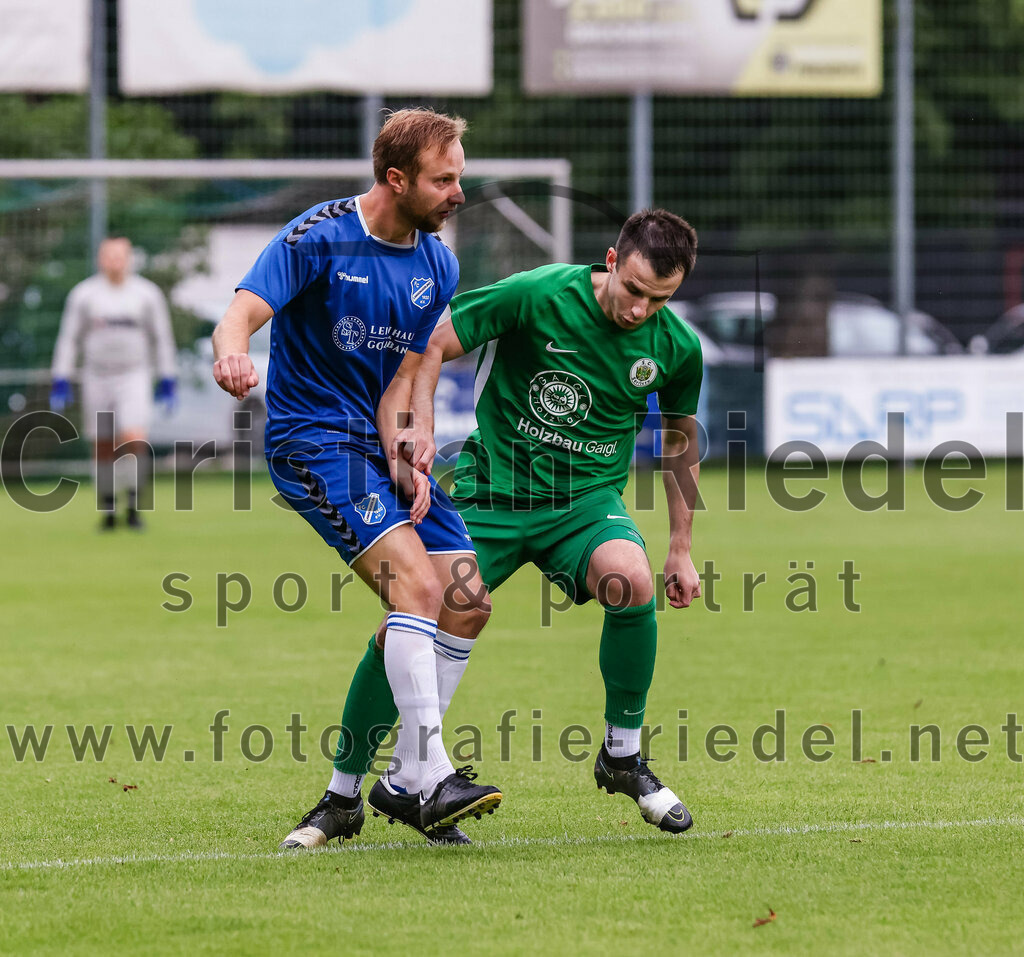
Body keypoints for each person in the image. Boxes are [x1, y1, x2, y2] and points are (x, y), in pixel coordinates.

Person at [337, 209, 703, 836]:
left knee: (632, 581)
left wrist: (681, 547)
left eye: (660, 300)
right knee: (416, 617)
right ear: (611, 261)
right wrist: (418, 424)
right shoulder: (538, 293)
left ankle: (623, 754)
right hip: (492, 493)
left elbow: (679, 442)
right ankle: (346, 791)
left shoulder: (677, 348)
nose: (641, 310)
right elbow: (436, 339)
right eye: (635, 291)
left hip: (584, 501)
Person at [211, 108, 501, 850]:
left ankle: (358, 794)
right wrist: (234, 354)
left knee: (466, 602)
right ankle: (428, 773)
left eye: (460, 175)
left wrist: (409, 446)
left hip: (373, 447)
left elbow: (401, 382)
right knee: (418, 590)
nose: (457, 192)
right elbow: (239, 313)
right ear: (396, 178)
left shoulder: (438, 265)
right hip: (313, 442)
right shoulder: (321, 234)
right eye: (444, 180)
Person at [50, 237, 177, 530]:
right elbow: (69, 338)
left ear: (129, 258)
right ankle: (108, 509)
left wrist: (168, 377)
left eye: (120, 256)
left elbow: (162, 338)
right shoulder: (84, 295)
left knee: (133, 438)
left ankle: (133, 506)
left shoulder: (146, 294)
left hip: (134, 375)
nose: (114, 262)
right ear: (100, 259)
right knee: (104, 445)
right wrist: (61, 377)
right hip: (97, 376)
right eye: (109, 256)